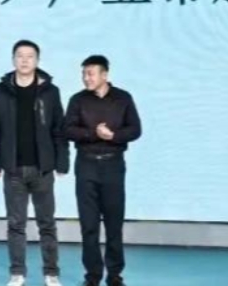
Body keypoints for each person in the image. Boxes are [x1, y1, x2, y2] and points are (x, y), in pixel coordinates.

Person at [0, 40, 69, 286]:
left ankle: (51, 273)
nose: (24, 60)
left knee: (47, 224)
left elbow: (58, 128)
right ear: (13, 59)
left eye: (30, 56)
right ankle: (17, 273)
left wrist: (62, 161)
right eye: (20, 56)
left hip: (42, 169)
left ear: (37, 60)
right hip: (13, 169)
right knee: (16, 224)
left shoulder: (50, 91)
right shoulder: (0, 91)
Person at [63, 55, 141, 286]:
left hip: (113, 165)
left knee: (113, 224)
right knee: (89, 225)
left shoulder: (123, 98)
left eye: (90, 73)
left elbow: (135, 129)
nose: (86, 78)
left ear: (104, 75)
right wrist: (93, 134)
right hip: (86, 165)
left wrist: (113, 136)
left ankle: (114, 275)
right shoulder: (77, 100)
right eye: (83, 74)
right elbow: (67, 130)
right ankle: (92, 276)